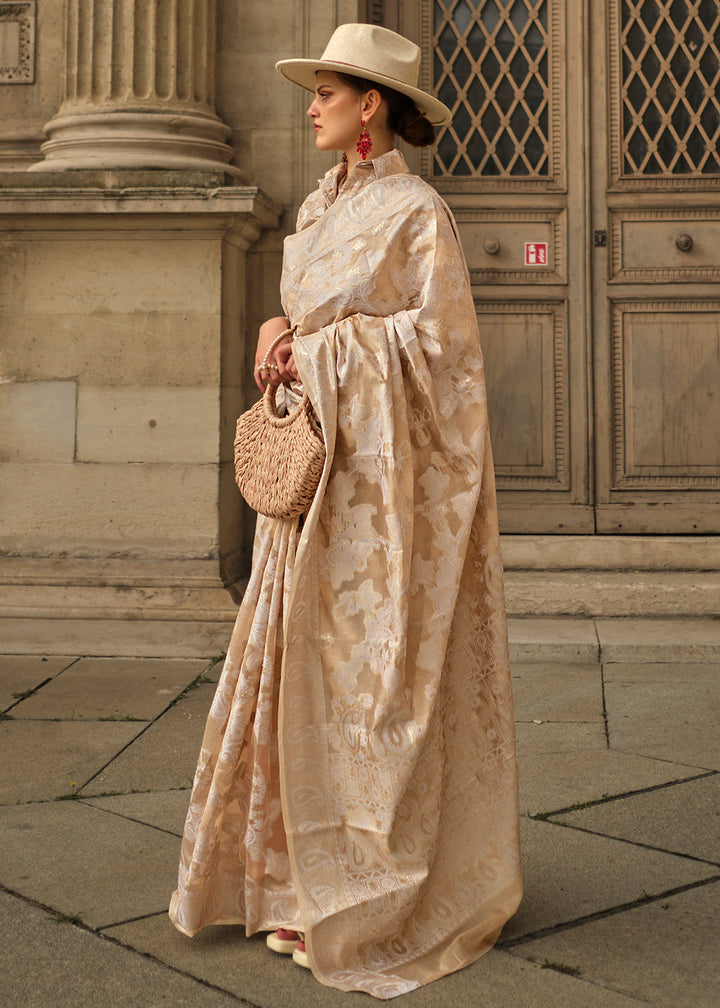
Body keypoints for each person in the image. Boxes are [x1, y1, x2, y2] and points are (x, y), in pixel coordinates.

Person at [169, 23, 522, 1000]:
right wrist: (280, 330)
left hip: (383, 500)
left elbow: (447, 353)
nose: (312, 105)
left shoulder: (418, 213)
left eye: (327, 90)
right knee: (297, 681)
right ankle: (292, 878)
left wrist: (323, 354)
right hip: (310, 486)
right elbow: (323, 314)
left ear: (372, 104)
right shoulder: (318, 212)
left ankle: (368, 892)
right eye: (315, 90)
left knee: (372, 690)